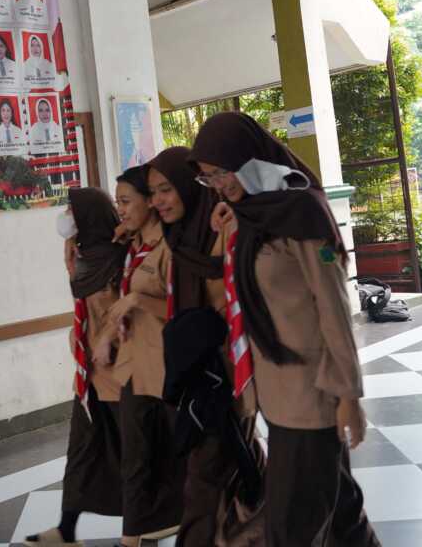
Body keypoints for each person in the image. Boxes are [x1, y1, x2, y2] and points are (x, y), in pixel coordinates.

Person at [188, 112, 379, 547]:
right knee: (343, 515)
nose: (218, 184)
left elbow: (333, 310)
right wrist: (228, 222)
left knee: (291, 527)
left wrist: (349, 396)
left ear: (247, 158)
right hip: (275, 392)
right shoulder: (249, 216)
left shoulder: (303, 214)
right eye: (208, 179)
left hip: (311, 394)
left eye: (221, 172)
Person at [147, 146, 265, 547]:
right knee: (234, 473)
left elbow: (242, 298)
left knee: (205, 483)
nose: (157, 201)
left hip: (227, 378)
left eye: (166, 189)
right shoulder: (180, 239)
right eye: (153, 193)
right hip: (199, 379)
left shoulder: (223, 227)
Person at [25, 188, 127, 546]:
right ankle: (66, 531)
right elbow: (85, 304)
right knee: (80, 454)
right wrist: (70, 265)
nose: (65, 215)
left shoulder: (119, 258)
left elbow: (130, 310)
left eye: (71, 209)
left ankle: (138, 535)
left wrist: (108, 337)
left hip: (122, 378)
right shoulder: (84, 258)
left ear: (88, 217)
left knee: (133, 458)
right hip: (90, 379)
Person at [92, 166, 184, 546]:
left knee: (184, 457)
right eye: (118, 203)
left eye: (127, 201)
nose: (121, 210)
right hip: (134, 369)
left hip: (168, 370)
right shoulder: (131, 249)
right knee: (134, 457)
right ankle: (131, 538)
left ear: (150, 202)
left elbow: (182, 310)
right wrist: (107, 337)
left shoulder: (171, 247)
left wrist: (137, 299)